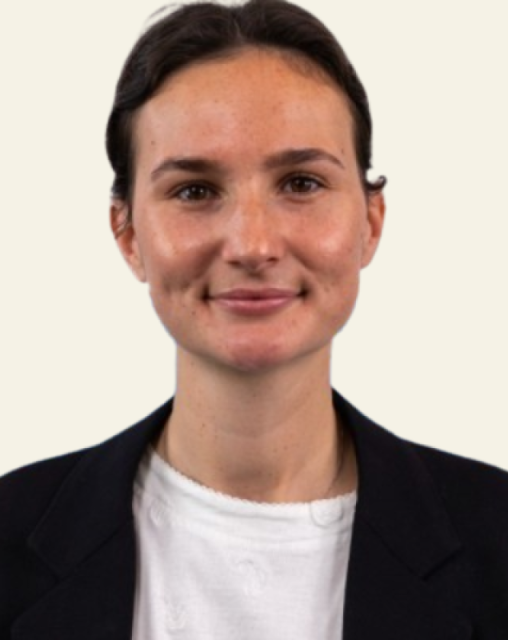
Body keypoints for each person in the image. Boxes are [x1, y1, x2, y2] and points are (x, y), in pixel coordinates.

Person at [1, 0, 507, 638]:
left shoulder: (497, 538)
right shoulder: (9, 537)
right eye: (194, 191)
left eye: (301, 183)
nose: (252, 245)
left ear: (371, 222)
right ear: (128, 235)